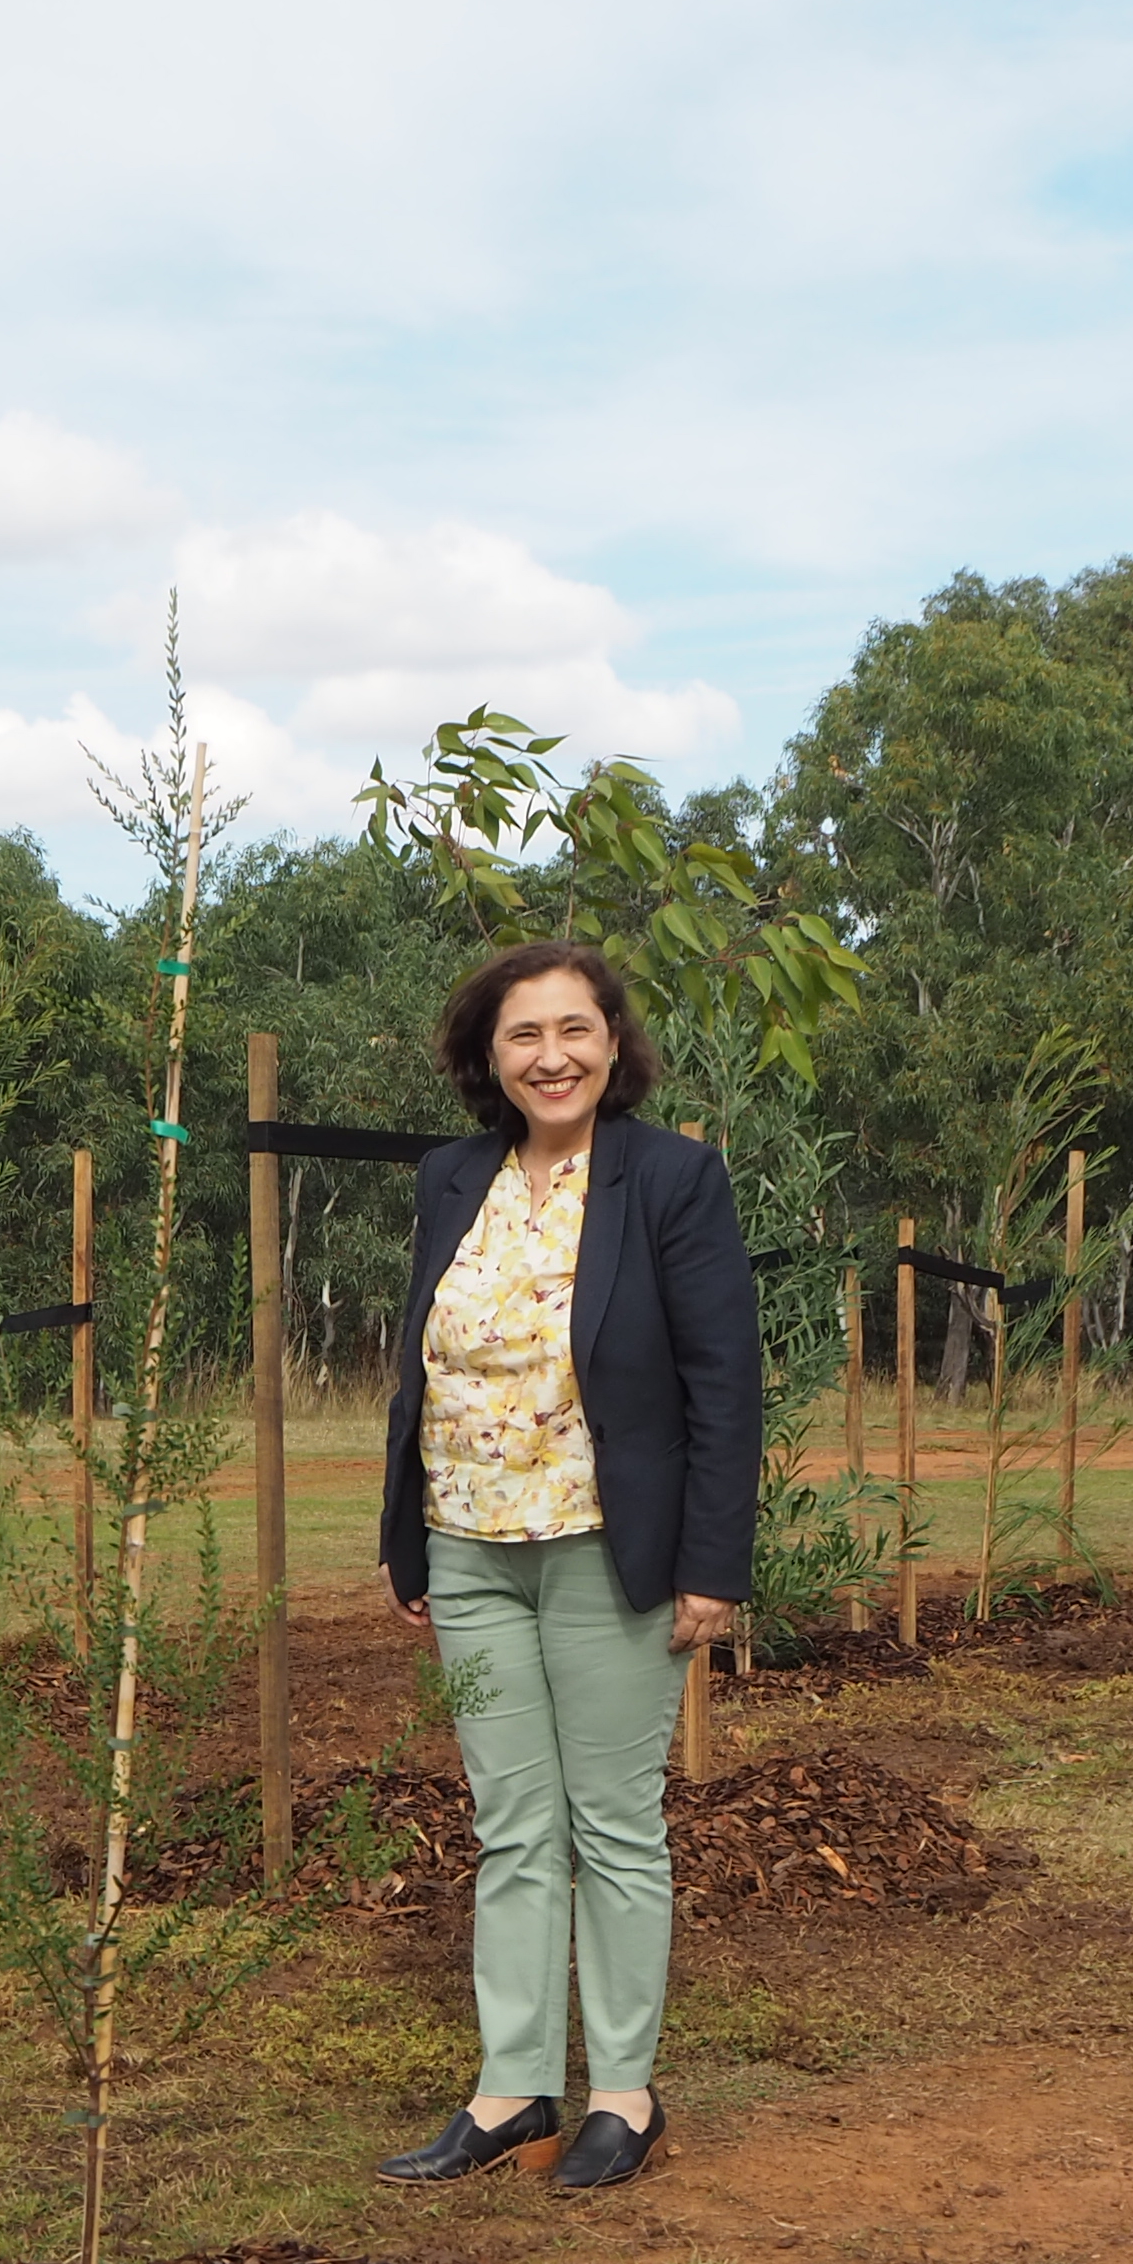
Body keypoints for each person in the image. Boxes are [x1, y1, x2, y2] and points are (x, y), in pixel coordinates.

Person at [372, 939, 758, 2195]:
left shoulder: (671, 1179)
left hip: (613, 1549)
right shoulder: (449, 1179)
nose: (554, 1056)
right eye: (525, 1036)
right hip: (471, 1546)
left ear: (613, 1041)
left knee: (614, 1823)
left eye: (574, 1029)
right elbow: (419, 1372)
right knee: (512, 1827)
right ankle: (513, 2088)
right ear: (489, 1057)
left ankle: (625, 2095)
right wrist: (407, 1536)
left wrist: (714, 1562)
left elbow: (722, 1381)